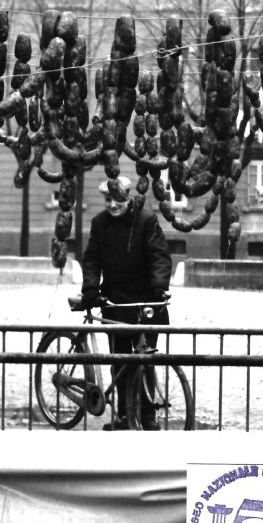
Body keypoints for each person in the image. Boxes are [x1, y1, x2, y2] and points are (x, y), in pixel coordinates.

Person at [80, 175, 173, 430]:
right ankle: (122, 415)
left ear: (128, 197)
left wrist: (159, 286)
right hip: (116, 302)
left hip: (145, 302)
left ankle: (147, 414)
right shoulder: (99, 223)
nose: (112, 205)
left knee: (146, 359)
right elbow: (92, 260)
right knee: (120, 361)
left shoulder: (146, 220)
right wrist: (90, 287)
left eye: (117, 199)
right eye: (107, 199)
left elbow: (159, 256)